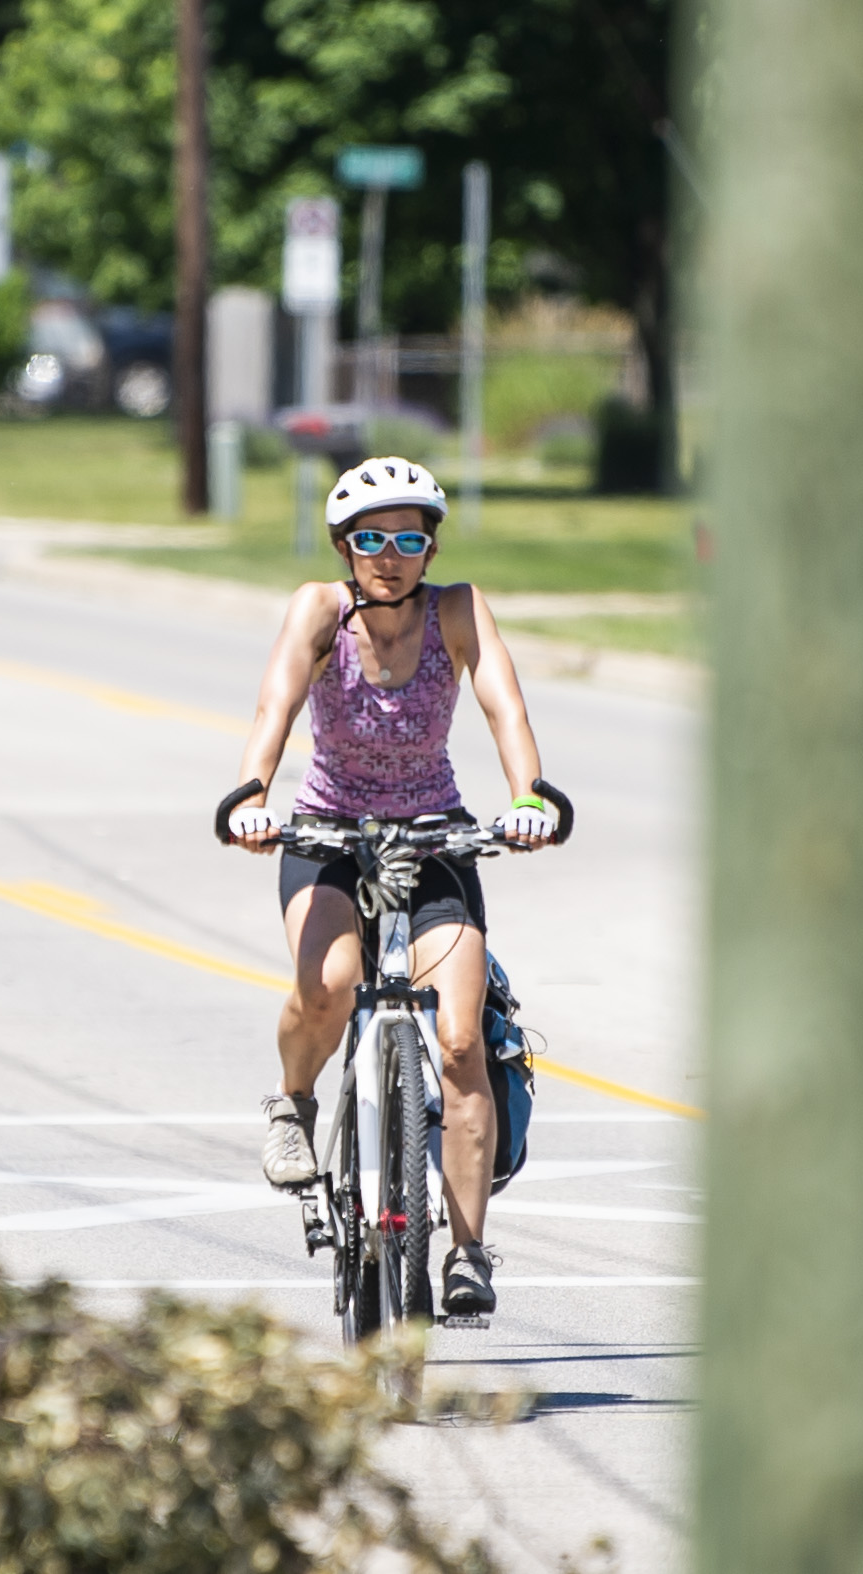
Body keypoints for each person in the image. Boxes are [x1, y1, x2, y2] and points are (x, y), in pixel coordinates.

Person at [221, 455, 564, 1318]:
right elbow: (275, 708)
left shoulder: (456, 609)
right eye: (370, 538)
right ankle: (294, 1106)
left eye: (409, 538)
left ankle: (468, 1252)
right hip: (326, 834)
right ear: (343, 547)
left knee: (458, 1042)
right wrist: (252, 797)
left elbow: (503, 708)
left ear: (430, 545)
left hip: (436, 834)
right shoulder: (319, 611)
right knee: (329, 985)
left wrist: (528, 796)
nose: (390, 554)